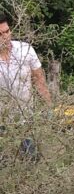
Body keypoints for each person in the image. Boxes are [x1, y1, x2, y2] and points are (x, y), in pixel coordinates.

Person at [0, 14, 51, 159]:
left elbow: (39, 80)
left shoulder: (25, 49)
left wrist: (49, 107)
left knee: (32, 159)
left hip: (26, 118)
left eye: (7, 31)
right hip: (2, 121)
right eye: (0, 34)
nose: (5, 36)